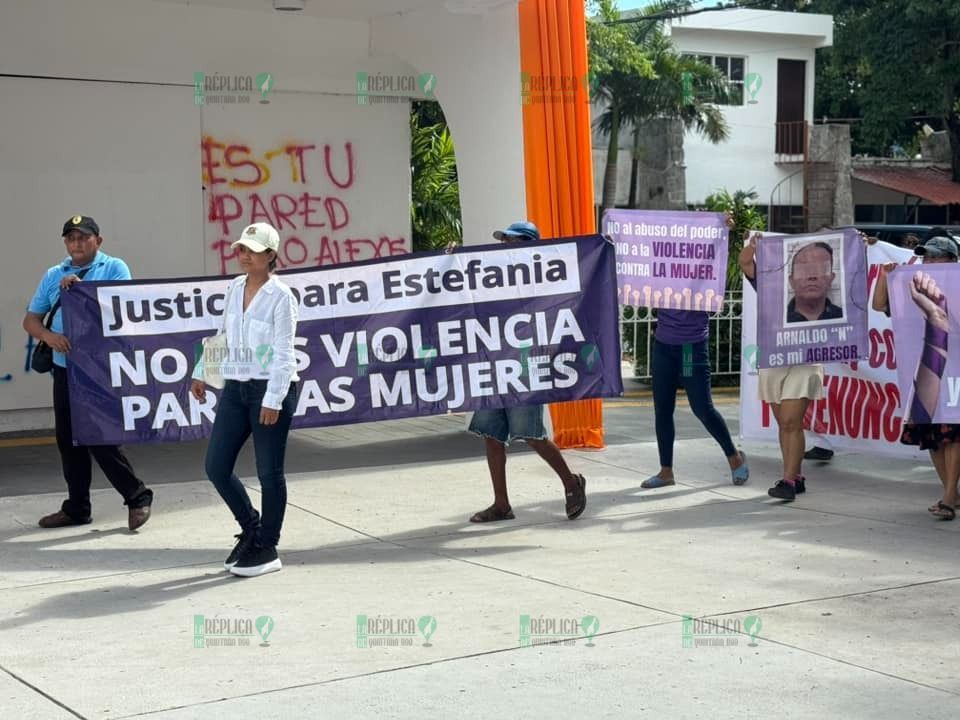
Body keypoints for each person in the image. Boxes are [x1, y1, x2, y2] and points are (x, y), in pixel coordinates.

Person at [23, 215, 154, 530]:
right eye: (71, 238)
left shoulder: (114, 268)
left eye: (83, 237)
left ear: (98, 240)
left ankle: (137, 496)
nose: (77, 243)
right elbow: (31, 320)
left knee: (97, 436)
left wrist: (84, 291)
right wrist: (49, 337)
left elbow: (121, 311)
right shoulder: (54, 274)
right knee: (68, 440)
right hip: (65, 369)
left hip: (99, 370)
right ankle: (77, 508)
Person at [191, 222, 300, 575]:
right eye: (241, 249)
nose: (244, 256)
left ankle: (268, 547)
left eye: (252, 250)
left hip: (269, 389)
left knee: (269, 473)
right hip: (236, 388)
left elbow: (284, 353)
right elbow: (224, 334)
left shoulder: (281, 297)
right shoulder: (235, 287)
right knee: (216, 466)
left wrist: (273, 399)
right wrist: (202, 372)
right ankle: (251, 527)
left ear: (270, 255)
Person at [460, 221, 586, 522]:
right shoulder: (492, 279)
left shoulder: (543, 281)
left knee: (531, 433)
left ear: (530, 246)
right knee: (491, 434)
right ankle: (501, 504)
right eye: (504, 241)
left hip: (527, 364)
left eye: (512, 242)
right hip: (495, 362)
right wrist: (450, 258)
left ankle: (571, 483)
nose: (505, 247)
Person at [873, 228, 959, 521]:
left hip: (955, 374)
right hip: (925, 375)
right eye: (927, 258)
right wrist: (887, 277)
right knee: (933, 436)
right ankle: (951, 491)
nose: (930, 263)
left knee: (954, 435)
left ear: (952, 259)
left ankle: (948, 497)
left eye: (937, 258)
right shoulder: (913, 287)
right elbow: (879, 305)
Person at [740, 232, 823, 501]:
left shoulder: (817, 287)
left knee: (790, 421)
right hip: (774, 358)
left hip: (805, 359)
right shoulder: (767, 284)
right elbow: (745, 263)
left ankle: (788, 481)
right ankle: (795, 476)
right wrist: (752, 246)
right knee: (784, 424)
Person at [640, 298, 749, 490]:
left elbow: (714, 305)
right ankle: (666, 471)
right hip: (664, 347)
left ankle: (734, 457)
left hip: (690, 349)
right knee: (663, 410)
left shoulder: (705, 269)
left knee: (702, 408)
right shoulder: (662, 268)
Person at [786, 241, 844, 323]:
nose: (812, 276)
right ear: (791, 280)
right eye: (804, 269)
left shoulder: (846, 318)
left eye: (821, 268)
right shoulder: (774, 321)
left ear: (831, 278)